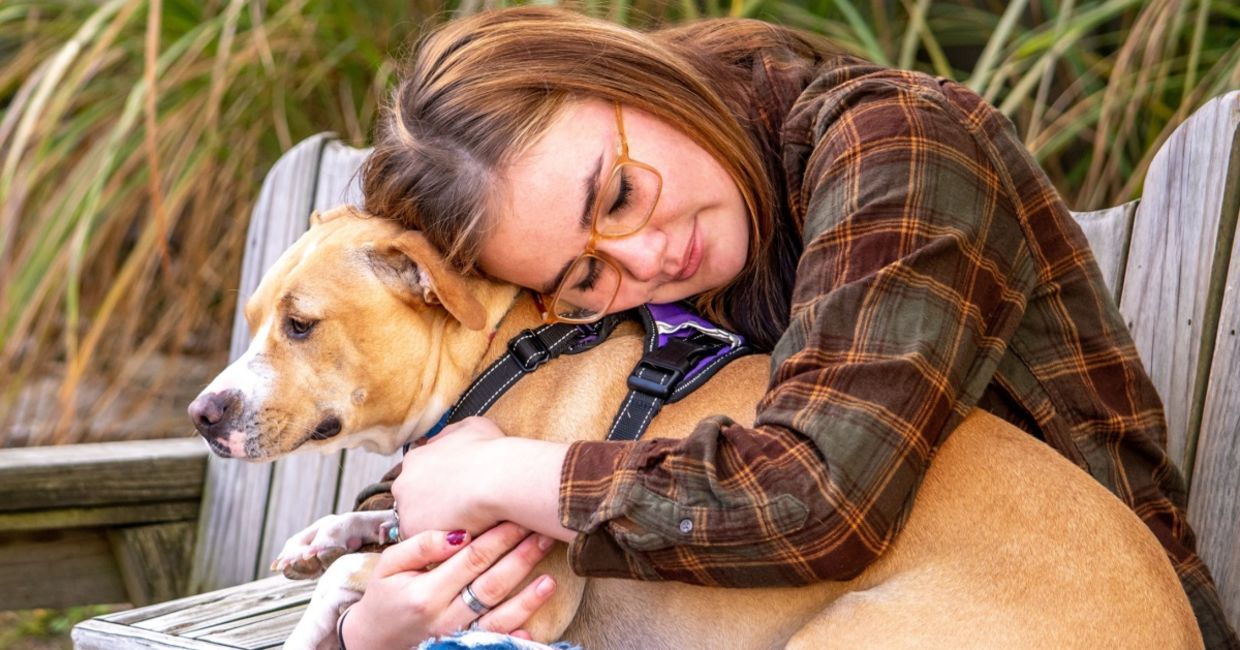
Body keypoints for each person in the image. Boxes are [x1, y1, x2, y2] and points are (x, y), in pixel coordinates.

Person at [343, 6, 1237, 648]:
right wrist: (369, 622)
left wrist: (503, 472)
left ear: (629, 78)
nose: (645, 256)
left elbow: (818, 497)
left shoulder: (897, 147)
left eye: (618, 193)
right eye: (585, 273)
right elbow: (465, 458)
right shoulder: (663, 269)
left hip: (1053, 610)